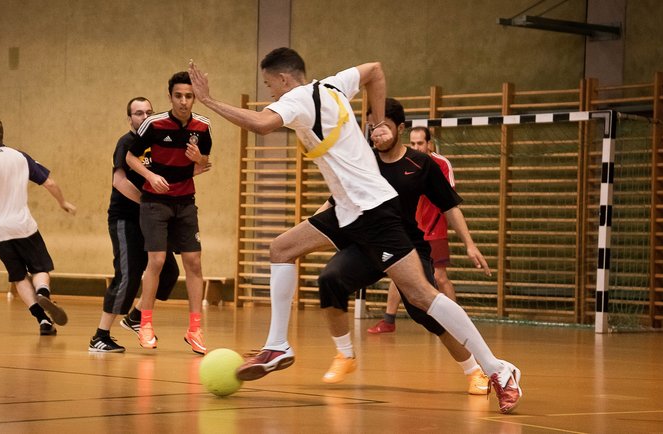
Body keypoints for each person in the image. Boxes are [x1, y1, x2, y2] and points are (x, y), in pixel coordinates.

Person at [188, 48, 522, 413]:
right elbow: (375, 70)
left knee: (422, 296)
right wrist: (377, 120)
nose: (270, 94)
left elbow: (260, 124)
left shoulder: (298, 98)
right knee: (281, 248)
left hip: (372, 210)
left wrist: (207, 100)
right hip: (347, 208)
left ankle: (497, 369)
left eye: (269, 85)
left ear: (284, 79)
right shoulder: (333, 85)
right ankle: (279, 344)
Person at [321, 99, 488, 395]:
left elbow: (450, 207)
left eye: (383, 126)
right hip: (369, 245)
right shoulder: (364, 161)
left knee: (423, 310)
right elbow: (336, 201)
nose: (376, 132)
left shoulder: (421, 164)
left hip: (407, 247)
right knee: (330, 279)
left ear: (400, 128)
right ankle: (345, 355)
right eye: (372, 126)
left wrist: (470, 245)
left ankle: (474, 370)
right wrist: (308, 229)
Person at [0, 112, 75, 336]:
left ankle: (43, 321)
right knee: (41, 267)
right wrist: (63, 202)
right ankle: (44, 294)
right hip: (22, 225)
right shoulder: (20, 156)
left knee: (18, 275)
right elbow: (50, 183)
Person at [88, 97, 187, 353]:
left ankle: (135, 316)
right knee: (128, 274)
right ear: (130, 118)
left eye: (149, 113)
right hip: (127, 218)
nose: (144, 117)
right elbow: (119, 181)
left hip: (152, 220)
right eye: (138, 113)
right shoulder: (127, 143)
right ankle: (100, 335)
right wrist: (148, 202)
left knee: (168, 273)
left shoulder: (158, 143)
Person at [125, 72, 212, 354]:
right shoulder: (153, 123)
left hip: (185, 201)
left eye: (189, 96)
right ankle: (146, 324)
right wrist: (150, 176)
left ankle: (195, 329)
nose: (184, 101)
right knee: (158, 260)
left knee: (194, 262)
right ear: (170, 96)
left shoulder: (203, 126)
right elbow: (129, 157)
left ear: (194, 97)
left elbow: (205, 161)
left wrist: (200, 160)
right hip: (155, 202)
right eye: (178, 96)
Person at [368, 126, 457, 334]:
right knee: (400, 272)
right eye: (413, 143)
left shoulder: (439, 164)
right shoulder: (406, 162)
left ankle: (457, 322)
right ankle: (388, 320)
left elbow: (448, 200)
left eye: (420, 143)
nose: (416, 147)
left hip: (434, 228)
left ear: (429, 144)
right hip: (410, 229)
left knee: (440, 277)